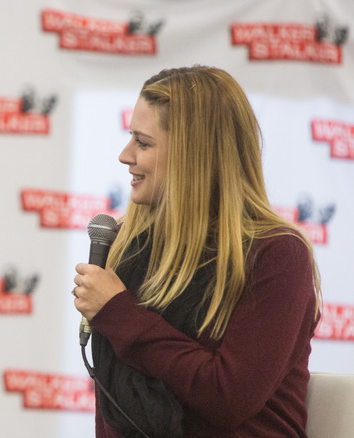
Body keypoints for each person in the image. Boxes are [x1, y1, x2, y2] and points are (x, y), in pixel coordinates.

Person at [72, 66, 321, 437]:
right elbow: (115, 410)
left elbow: (227, 397)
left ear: (193, 154)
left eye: (143, 142)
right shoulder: (125, 244)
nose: (125, 155)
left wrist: (119, 313)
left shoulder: (278, 255)